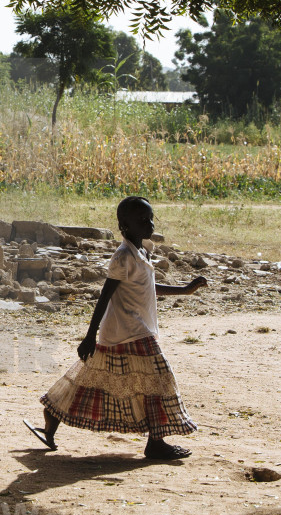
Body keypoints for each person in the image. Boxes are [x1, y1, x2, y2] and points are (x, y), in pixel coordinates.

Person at [24, 196, 207, 459]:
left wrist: (185, 290)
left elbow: (144, 287)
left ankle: (52, 416)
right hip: (127, 328)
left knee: (91, 378)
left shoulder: (142, 251)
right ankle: (156, 443)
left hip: (132, 328)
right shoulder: (122, 257)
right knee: (159, 378)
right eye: (142, 221)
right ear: (124, 227)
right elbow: (105, 295)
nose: (150, 224)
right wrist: (89, 336)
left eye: (151, 218)